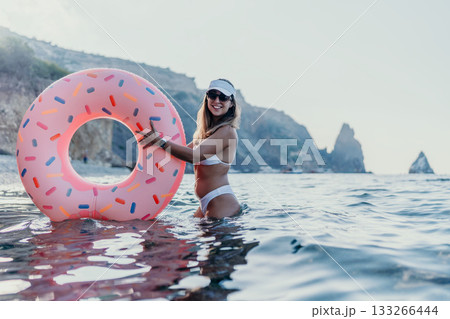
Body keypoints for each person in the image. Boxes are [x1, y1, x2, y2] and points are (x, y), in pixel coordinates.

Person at [138, 79, 241, 219]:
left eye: (223, 97)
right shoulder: (207, 133)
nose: (217, 100)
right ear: (207, 98)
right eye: (212, 95)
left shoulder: (227, 131)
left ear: (231, 103)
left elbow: (194, 156)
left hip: (221, 203)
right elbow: (180, 154)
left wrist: (160, 142)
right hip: (206, 203)